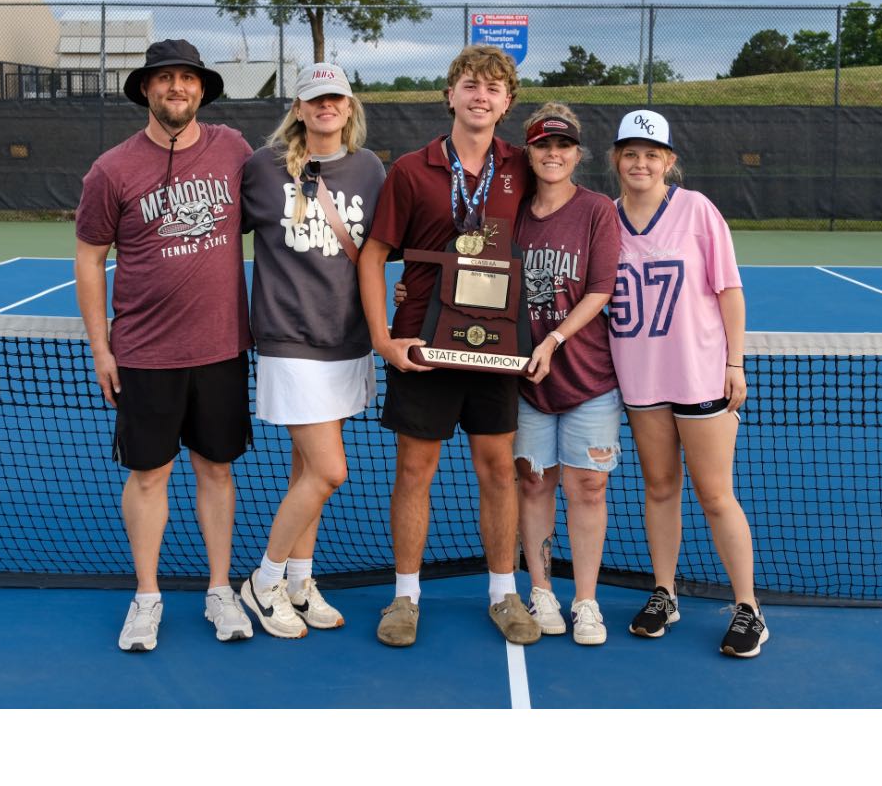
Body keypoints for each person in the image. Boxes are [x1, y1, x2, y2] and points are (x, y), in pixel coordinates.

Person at [75, 38, 255, 654]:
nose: (177, 87)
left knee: (217, 469)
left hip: (221, 348)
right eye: (164, 78)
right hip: (144, 354)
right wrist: (101, 348)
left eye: (187, 78)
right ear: (146, 90)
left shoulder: (233, 149)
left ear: (201, 89)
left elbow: (280, 213)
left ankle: (220, 589)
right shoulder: (112, 170)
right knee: (149, 476)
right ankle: (147, 596)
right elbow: (90, 258)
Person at [358, 44, 540, 648]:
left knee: (498, 470)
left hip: (497, 346)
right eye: (470, 84)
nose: (480, 96)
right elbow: (374, 255)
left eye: (493, 88)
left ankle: (503, 592)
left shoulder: (523, 166)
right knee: (415, 469)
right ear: (450, 95)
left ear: (507, 103)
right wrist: (383, 339)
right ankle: (405, 596)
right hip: (423, 345)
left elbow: (562, 217)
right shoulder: (412, 170)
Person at [607, 109, 768, 659]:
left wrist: (735, 363)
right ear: (616, 160)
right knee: (659, 488)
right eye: (631, 154)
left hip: (700, 377)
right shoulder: (604, 218)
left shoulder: (697, 210)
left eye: (651, 154)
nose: (641, 163)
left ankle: (748, 607)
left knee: (715, 494)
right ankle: (664, 593)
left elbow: (729, 291)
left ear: (669, 161)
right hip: (640, 380)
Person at [238, 64, 386, 637]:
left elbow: (378, 250)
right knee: (329, 471)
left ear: (349, 107)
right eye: (315, 99)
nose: (326, 106)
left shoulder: (369, 169)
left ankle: (300, 582)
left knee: (307, 471)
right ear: (298, 108)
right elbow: (221, 239)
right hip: (289, 339)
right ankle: (265, 579)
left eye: (335, 98)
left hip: (346, 341)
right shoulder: (262, 167)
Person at [513, 105, 622, 645]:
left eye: (563, 146)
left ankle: (585, 600)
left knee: (589, 487)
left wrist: (554, 340)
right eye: (542, 145)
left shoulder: (598, 210)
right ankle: (541, 591)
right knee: (534, 483)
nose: (553, 154)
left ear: (578, 154)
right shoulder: (511, 212)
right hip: (523, 382)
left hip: (589, 377)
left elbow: (601, 288)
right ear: (528, 153)